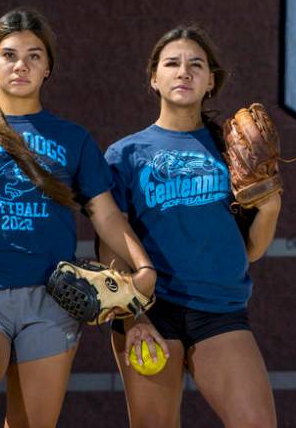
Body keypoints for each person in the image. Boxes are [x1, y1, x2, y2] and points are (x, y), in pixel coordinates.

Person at [0, 8, 161, 428]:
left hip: (51, 298)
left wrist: (143, 266)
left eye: (34, 56)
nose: (21, 65)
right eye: (9, 55)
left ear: (48, 68)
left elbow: (105, 214)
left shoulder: (72, 138)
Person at [100, 26, 281, 428]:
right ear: (154, 77)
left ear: (211, 80)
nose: (184, 72)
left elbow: (248, 251)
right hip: (150, 309)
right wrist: (133, 316)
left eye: (195, 64)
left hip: (219, 309)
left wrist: (270, 209)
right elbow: (110, 247)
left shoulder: (231, 150)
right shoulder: (125, 154)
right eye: (172, 63)